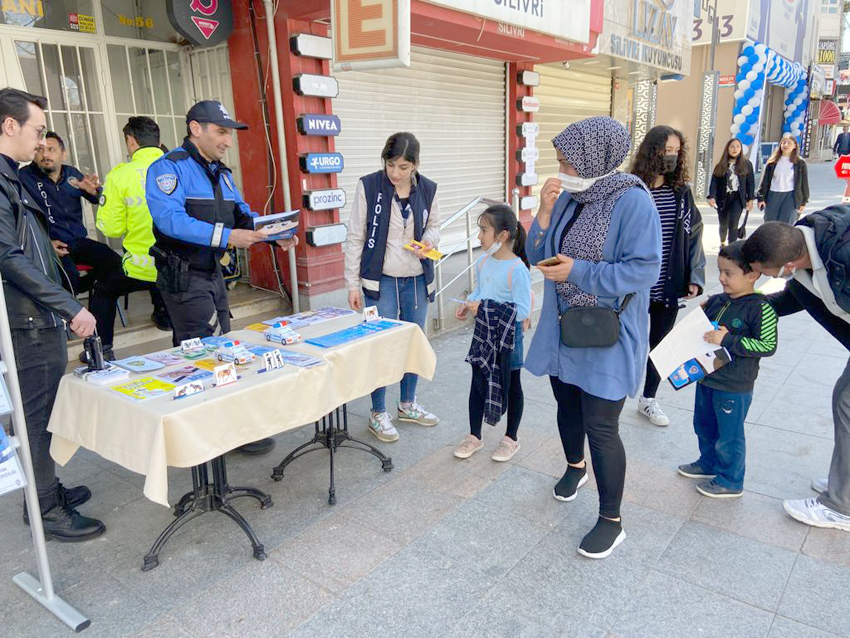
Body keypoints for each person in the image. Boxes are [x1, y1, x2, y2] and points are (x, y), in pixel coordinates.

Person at [526, 116, 661, 559]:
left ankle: (611, 519)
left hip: (606, 332)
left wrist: (579, 271)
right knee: (566, 404)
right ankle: (574, 467)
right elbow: (537, 256)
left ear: (593, 159)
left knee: (601, 425)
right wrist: (543, 216)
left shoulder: (632, 202)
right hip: (564, 327)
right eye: (559, 160)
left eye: (567, 160)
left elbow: (643, 270)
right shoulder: (570, 196)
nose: (560, 168)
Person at [146, 100, 297, 457]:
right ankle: (209, 434)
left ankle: (219, 427)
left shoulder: (222, 174)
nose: (228, 141)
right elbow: (170, 221)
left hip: (212, 272)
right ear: (195, 129)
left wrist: (276, 234)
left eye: (229, 133)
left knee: (222, 347)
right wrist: (226, 237)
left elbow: (244, 216)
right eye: (221, 132)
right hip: (181, 273)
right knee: (204, 351)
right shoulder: (168, 169)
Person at [0, 87, 104, 540]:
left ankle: (46, 489)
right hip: (25, 320)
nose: (41, 142)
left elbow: (23, 244)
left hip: (34, 316)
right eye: (37, 131)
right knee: (37, 415)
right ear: (9, 126)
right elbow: (7, 256)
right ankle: (44, 508)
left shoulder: (11, 176)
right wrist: (69, 307)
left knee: (42, 412)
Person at [743, 218, 850, 532]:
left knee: (846, 404)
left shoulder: (841, 255)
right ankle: (842, 481)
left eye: (764, 272)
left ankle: (840, 506)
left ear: (787, 264)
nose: (761, 278)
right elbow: (794, 296)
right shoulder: (803, 237)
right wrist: (745, 306)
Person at [344, 132, 442, 443]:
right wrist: (352, 283)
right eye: (390, 165)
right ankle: (377, 412)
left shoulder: (428, 188)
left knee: (413, 341)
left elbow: (435, 226)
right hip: (381, 280)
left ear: (415, 165)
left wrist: (429, 242)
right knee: (381, 343)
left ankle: (407, 404)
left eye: (402, 167)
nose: (395, 173)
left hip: (416, 277)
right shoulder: (369, 185)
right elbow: (356, 236)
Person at [678, 241, 777, 498]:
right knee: (704, 424)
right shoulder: (720, 300)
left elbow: (767, 345)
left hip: (734, 384)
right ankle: (708, 462)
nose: (721, 278)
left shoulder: (761, 308)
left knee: (729, 435)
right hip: (706, 376)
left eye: (728, 273)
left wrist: (728, 340)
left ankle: (731, 480)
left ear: (752, 274)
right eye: (720, 271)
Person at [630, 125, 705, 427]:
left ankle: (648, 399)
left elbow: (694, 236)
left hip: (667, 282)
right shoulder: (632, 188)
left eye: (676, 151)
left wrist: (695, 275)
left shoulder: (682, 194)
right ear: (652, 150)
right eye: (666, 150)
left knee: (660, 345)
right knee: (629, 342)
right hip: (633, 284)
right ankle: (612, 393)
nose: (671, 156)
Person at [453, 204, 532, 462]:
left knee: (512, 386)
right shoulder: (484, 261)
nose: (479, 236)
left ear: (503, 236)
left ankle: (511, 438)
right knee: (477, 383)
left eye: (484, 230)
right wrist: (470, 303)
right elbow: (481, 292)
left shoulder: (517, 269)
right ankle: (474, 436)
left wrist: (483, 308)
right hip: (484, 336)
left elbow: (522, 311)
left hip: (509, 340)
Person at [92, 116, 170, 361]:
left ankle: (101, 349)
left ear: (131, 141)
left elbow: (111, 229)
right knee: (166, 280)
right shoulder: (179, 168)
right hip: (181, 266)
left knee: (101, 289)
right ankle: (164, 314)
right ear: (158, 141)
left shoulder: (119, 176)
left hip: (141, 267)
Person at [19, 131, 121, 296]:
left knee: (116, 264)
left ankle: (86, 290)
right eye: (40, 150)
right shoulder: (23, 178)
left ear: (63, 155)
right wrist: (45, 244)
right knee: (69, 277)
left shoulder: (72, 174)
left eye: (51, 150)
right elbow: (17, 216)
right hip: (49, 245)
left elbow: (99, 199)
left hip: (78, 241)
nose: (45, 154)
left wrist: (95, 192)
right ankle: (70, 311)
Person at [708, 138, 756, 245]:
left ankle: (731, 247)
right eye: (732, 147)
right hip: (723, 198)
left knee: (733, 223)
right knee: (723, 224)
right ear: (727, 149)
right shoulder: (721, 165)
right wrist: (712, 197)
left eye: (738, 146)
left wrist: (750, 199)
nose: (735, 149)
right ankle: (723, 242)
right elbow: (714, 182)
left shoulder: (747, 164)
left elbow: (750, 183)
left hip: (737, 198)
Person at [757, 133, 809, 225]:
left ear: (794, 146)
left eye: (789, 143)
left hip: (791, 196)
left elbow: (804, 183)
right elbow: (764, 181)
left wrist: (804, 201)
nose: (786, 145)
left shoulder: (800, 163)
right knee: (770, 223)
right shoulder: (772, 162)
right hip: (773, 195)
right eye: (783, 143)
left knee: (786, 225)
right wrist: (761, 198)